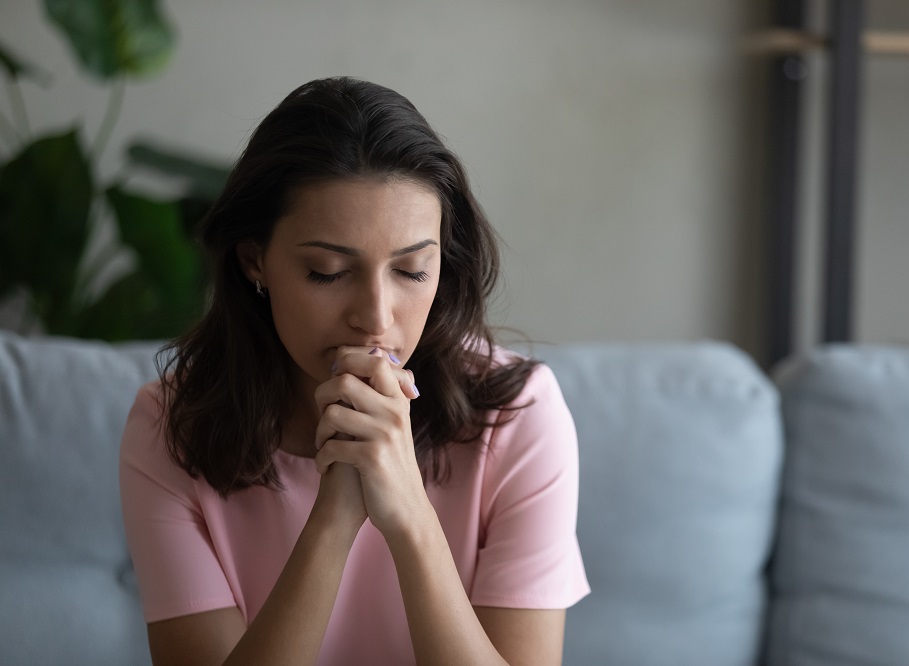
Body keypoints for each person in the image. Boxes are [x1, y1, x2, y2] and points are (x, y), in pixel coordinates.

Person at [119, 76, 589, 665]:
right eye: (326, 272)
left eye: (412, 271)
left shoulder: (518, 416)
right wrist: (335, 515)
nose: (374, 318)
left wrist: (410, 517)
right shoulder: (172, 426)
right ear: (254, 261)